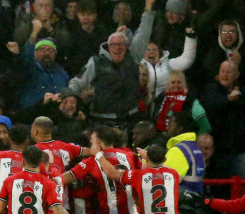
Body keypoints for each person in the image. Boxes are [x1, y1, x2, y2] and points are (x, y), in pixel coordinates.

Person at [69, 0, 155, 128]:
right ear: (108, 47)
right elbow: (75, 84)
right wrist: (71, 104)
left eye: (121, 45)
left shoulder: (133, 56)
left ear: (126, 47)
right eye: (114, 45)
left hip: (130, 118)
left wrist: (148, 9)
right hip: (101, 120)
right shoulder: (96, 62)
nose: (118, 48)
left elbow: (144, 33)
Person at [201, 60, 245, 178]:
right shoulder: (211, 88)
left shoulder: (242, 91)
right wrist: (228, 100)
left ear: (237, 75)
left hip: (239, 148)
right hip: (217, 149)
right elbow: (211, 106)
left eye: (229, 72)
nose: (224, 75)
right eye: (222, 71)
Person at [12, 37, 69, 109]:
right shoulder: (30, 69)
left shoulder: (61, 72)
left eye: (51, 50)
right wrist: (34, 34)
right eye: (42, 49)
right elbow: (26, 58)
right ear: (35, 53)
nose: (47, 53)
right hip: (34, 113)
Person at [141, 28, 197, 98]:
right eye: (148, 50)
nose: (151, 52)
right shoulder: (138, 67)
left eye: (154, 50)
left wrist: (190, 37)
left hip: (166, 102)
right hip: (144, 101)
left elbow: (186, 60)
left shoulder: (168, 64)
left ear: (160, 52)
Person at [153, 70, 211, 135]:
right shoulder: (160, 98)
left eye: (179, 82)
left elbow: (205, 127)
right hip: (160, 139)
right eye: (173, 82)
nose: (176, 85)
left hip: (182, 141)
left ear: (185, 84)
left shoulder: (191, 101)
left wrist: (195, 141)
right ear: (168, 84)